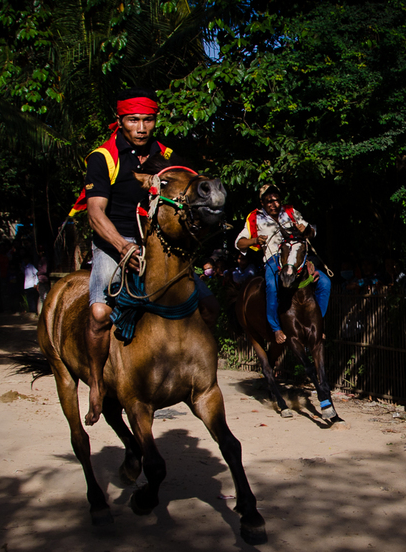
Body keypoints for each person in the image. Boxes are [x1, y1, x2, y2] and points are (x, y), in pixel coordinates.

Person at [75, 88, 218, 426]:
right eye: (134, 120)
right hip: (115, 240)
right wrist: (124, 248)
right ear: (121, 120)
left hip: (157, 243)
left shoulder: (166, 156)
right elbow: (95, 214)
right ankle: (96, 384)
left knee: (209, 305)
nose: (141, 127)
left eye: (148, 120)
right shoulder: (103, 157)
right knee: (98, 312)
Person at [235, 184, 331, 345]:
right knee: (272, 287)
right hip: (273, 260)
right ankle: (276, 328)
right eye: (269, 201)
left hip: (296, 260)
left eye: (277, 200)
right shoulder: (254, 217)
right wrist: (254, 240)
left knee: (325, 282)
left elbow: (312, 231)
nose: (274, 204)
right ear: (262, 202)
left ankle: (317, 323)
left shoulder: (291, 212)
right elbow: (239, 243)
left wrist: (306, 229)